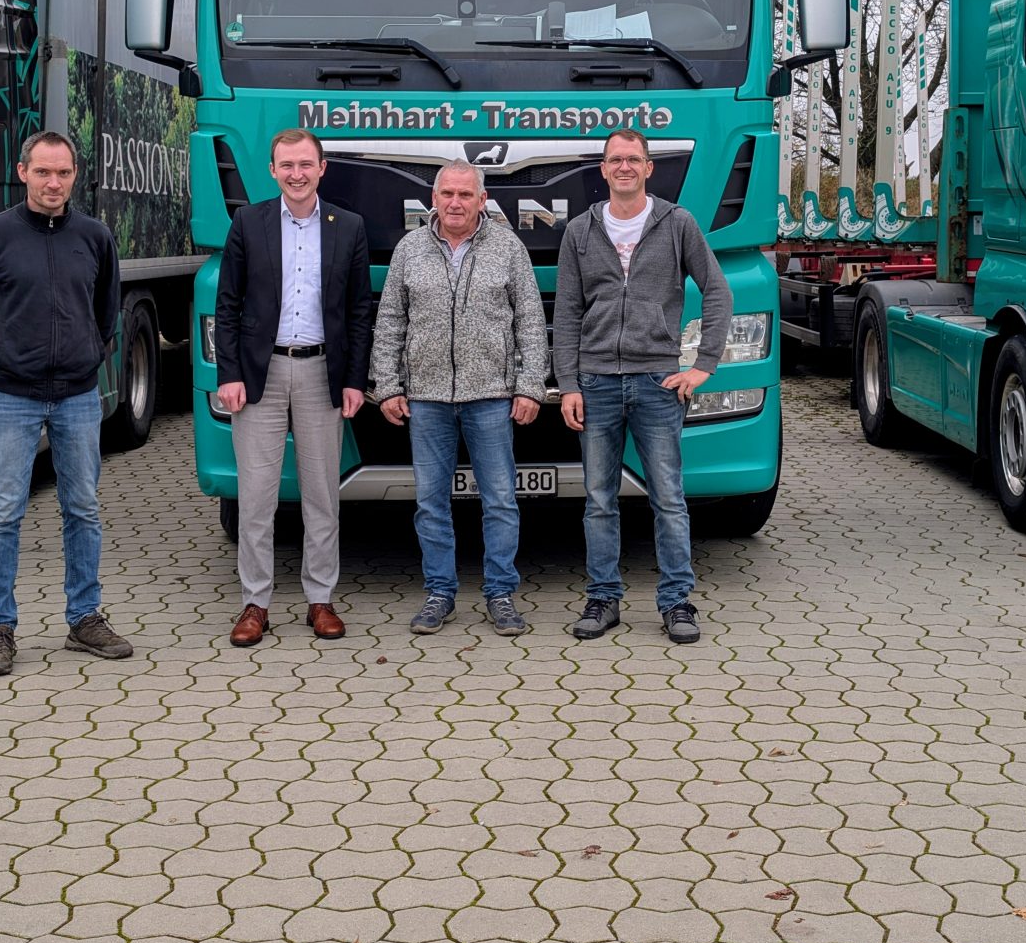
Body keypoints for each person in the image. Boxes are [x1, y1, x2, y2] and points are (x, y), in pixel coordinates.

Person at [0, 130, 130, 678]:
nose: (54, 183)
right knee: (4, 513)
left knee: (83, 509)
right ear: (23, 172)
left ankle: (84, 618)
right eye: (44, 172)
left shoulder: (95, 237)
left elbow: (107, 312)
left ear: (75, 176)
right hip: (11, 398)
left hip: (77, 397)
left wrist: (85, 356)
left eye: (64, 173)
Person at [554, 127, 733, 644]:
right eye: (616, 159)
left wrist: (703, 365)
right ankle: (602, 599)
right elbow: (567, 313)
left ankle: (677, 602)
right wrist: (568, 384)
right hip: (596, 382)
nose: (625, 167)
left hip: (659, 381)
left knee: (669, 498)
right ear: (603, 169)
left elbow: (717, 291)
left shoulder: (677, 223)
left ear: (649, 168)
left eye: (633, 159)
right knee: (598, 499)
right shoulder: (580, 231)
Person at [371, 162, 547, 638]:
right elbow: (390, 321)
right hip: (426, 398)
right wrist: (387, 386)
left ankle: (501, 594)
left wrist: (530, 386)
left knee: (501, 501)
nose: (455, 202)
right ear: (433, 198)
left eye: (465, 194)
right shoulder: (409, 249)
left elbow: (531, 321)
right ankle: (439, 593)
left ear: (482, 199)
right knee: (431, 503)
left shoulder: (508, 247)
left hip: (491, 396)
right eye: (447, 193)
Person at [213, 128, 374, 645]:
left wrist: (354, 380)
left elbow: (359, 311)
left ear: (322, 168)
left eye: (306, 164)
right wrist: (229, 374)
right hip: (259, 375)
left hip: (321, 373)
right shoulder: (248, 222)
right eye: (287, 165)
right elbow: (228, 304)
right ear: (273, 170)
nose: (297, 174)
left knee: (322, 495)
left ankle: (320, 599)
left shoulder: (349, 226)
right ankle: (255, 604)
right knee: (256, 497)